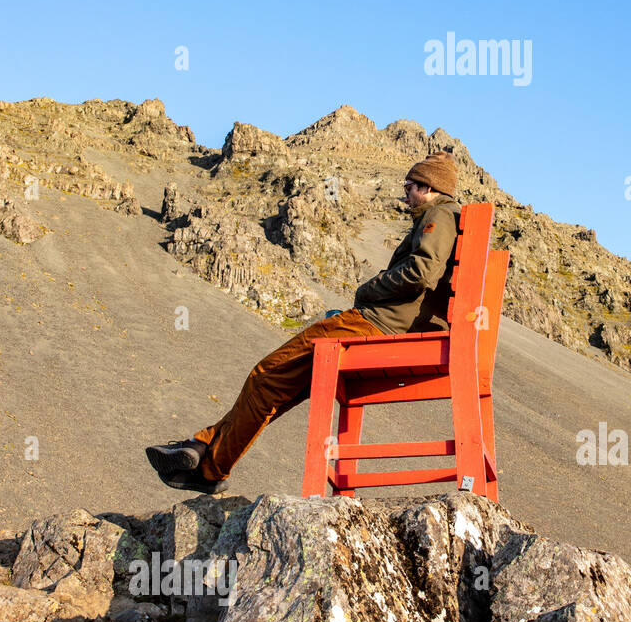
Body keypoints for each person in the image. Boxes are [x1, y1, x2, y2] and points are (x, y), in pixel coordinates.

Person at [146, 150, 461, 494]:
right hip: (388, 325)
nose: (405, 191)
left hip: (376, 325)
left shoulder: (439, 215)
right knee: (274, 385)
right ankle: (203, 451)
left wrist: (367, 290)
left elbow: (422, 271)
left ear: (429, 186)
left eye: (410, 184)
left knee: (267, 374)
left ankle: (206, 462)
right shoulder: (441, 216)